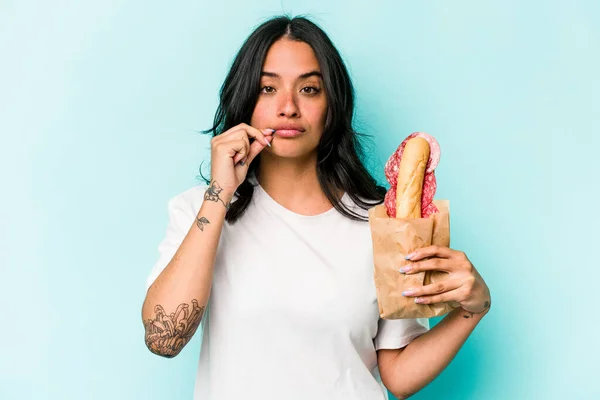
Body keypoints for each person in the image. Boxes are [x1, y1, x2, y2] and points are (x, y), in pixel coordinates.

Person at [141, 15, 491, 400]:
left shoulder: (384, 221)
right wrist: (220, 192)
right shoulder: (202, 211)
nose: (288, 107)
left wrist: (472, 309)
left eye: (308, 89)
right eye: (267, 88)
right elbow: (164, 339)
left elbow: (397, 375)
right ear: (245, 101)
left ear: (332, 104)